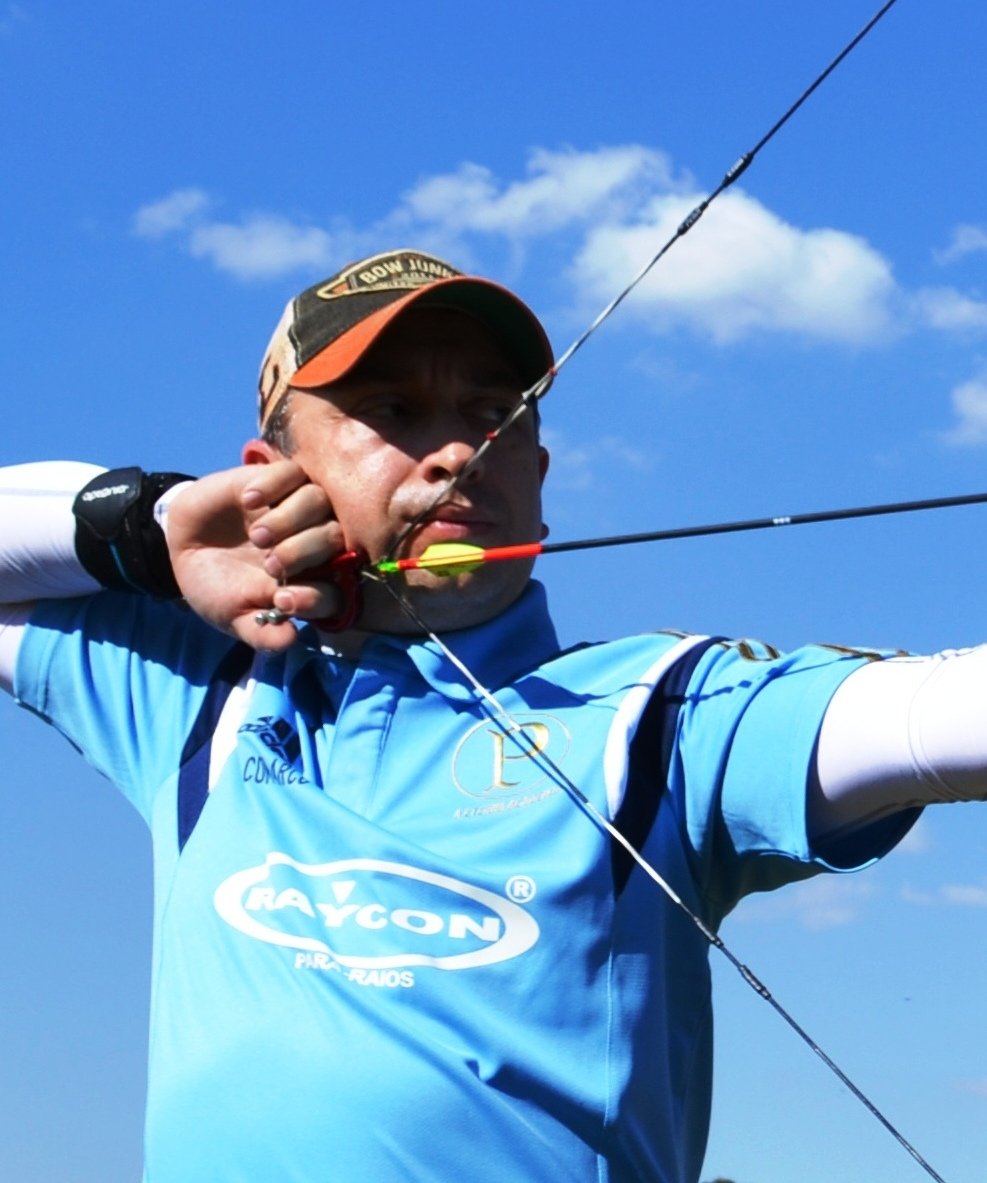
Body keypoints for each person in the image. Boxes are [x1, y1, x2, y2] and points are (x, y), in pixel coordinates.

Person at [1, 248, 985, 1183]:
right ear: (269, 473)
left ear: (541, 482)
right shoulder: (200, 692)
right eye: (394, 410)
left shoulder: (659, 715)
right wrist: (152, 526)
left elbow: (946, 711)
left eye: (495, 413)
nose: (461, 451)